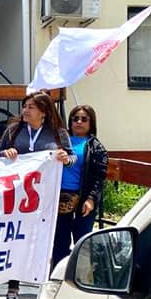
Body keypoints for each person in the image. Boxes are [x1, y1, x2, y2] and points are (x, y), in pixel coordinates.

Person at [0, 92, 74, 299]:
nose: (25, 110)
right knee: (17, 238)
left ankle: (49, 287)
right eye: (25, 106)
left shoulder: (58, 133)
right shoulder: (14, 130)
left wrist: (65, 159)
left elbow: (71, 157)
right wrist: (5, 153)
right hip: (19, 199)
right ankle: (13, 287)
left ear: (44, 111)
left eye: (31, 107)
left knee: (47, 240)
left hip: (46, 198)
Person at [52, 105, 108, 265]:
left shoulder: (96, 147)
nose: (79, 122)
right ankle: (58, 273)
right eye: (75, 118)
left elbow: (99, 177)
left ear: (91, 122)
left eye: (84, 119)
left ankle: (82, 275)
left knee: (82, 241)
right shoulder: (59, 141)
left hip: (83, 197)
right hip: (60, 195)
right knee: (59, 240)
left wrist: (91, 199)